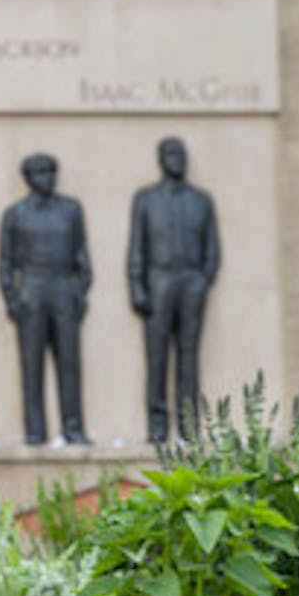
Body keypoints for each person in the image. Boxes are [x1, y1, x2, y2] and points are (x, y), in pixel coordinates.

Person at [126, 136, 220, 443]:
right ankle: (157, 426)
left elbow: (212, 247)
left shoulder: (201, 200)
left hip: (191, 281)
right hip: (158, 281)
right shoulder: (146, 198)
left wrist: (203, 279)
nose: (177, 159)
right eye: (170, 154)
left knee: (188, 357)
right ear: (161, 159)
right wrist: (137, 287)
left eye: (180, 154)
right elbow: (136, 247)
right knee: (156, 357)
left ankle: (188, 427)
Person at [0, 153, 92, 446]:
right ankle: (35, 430)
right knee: (32, 363)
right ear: (27, 178)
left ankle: (73, 428)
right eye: (38, 173)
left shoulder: (70, 209)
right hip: (32, 288)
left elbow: (82, 255)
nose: (45, 178)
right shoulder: (16, 213)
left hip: (63, 285)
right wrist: (12, 298)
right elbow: (6, 262)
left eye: (50, 171)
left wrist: (80, 291)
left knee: (69, 362)